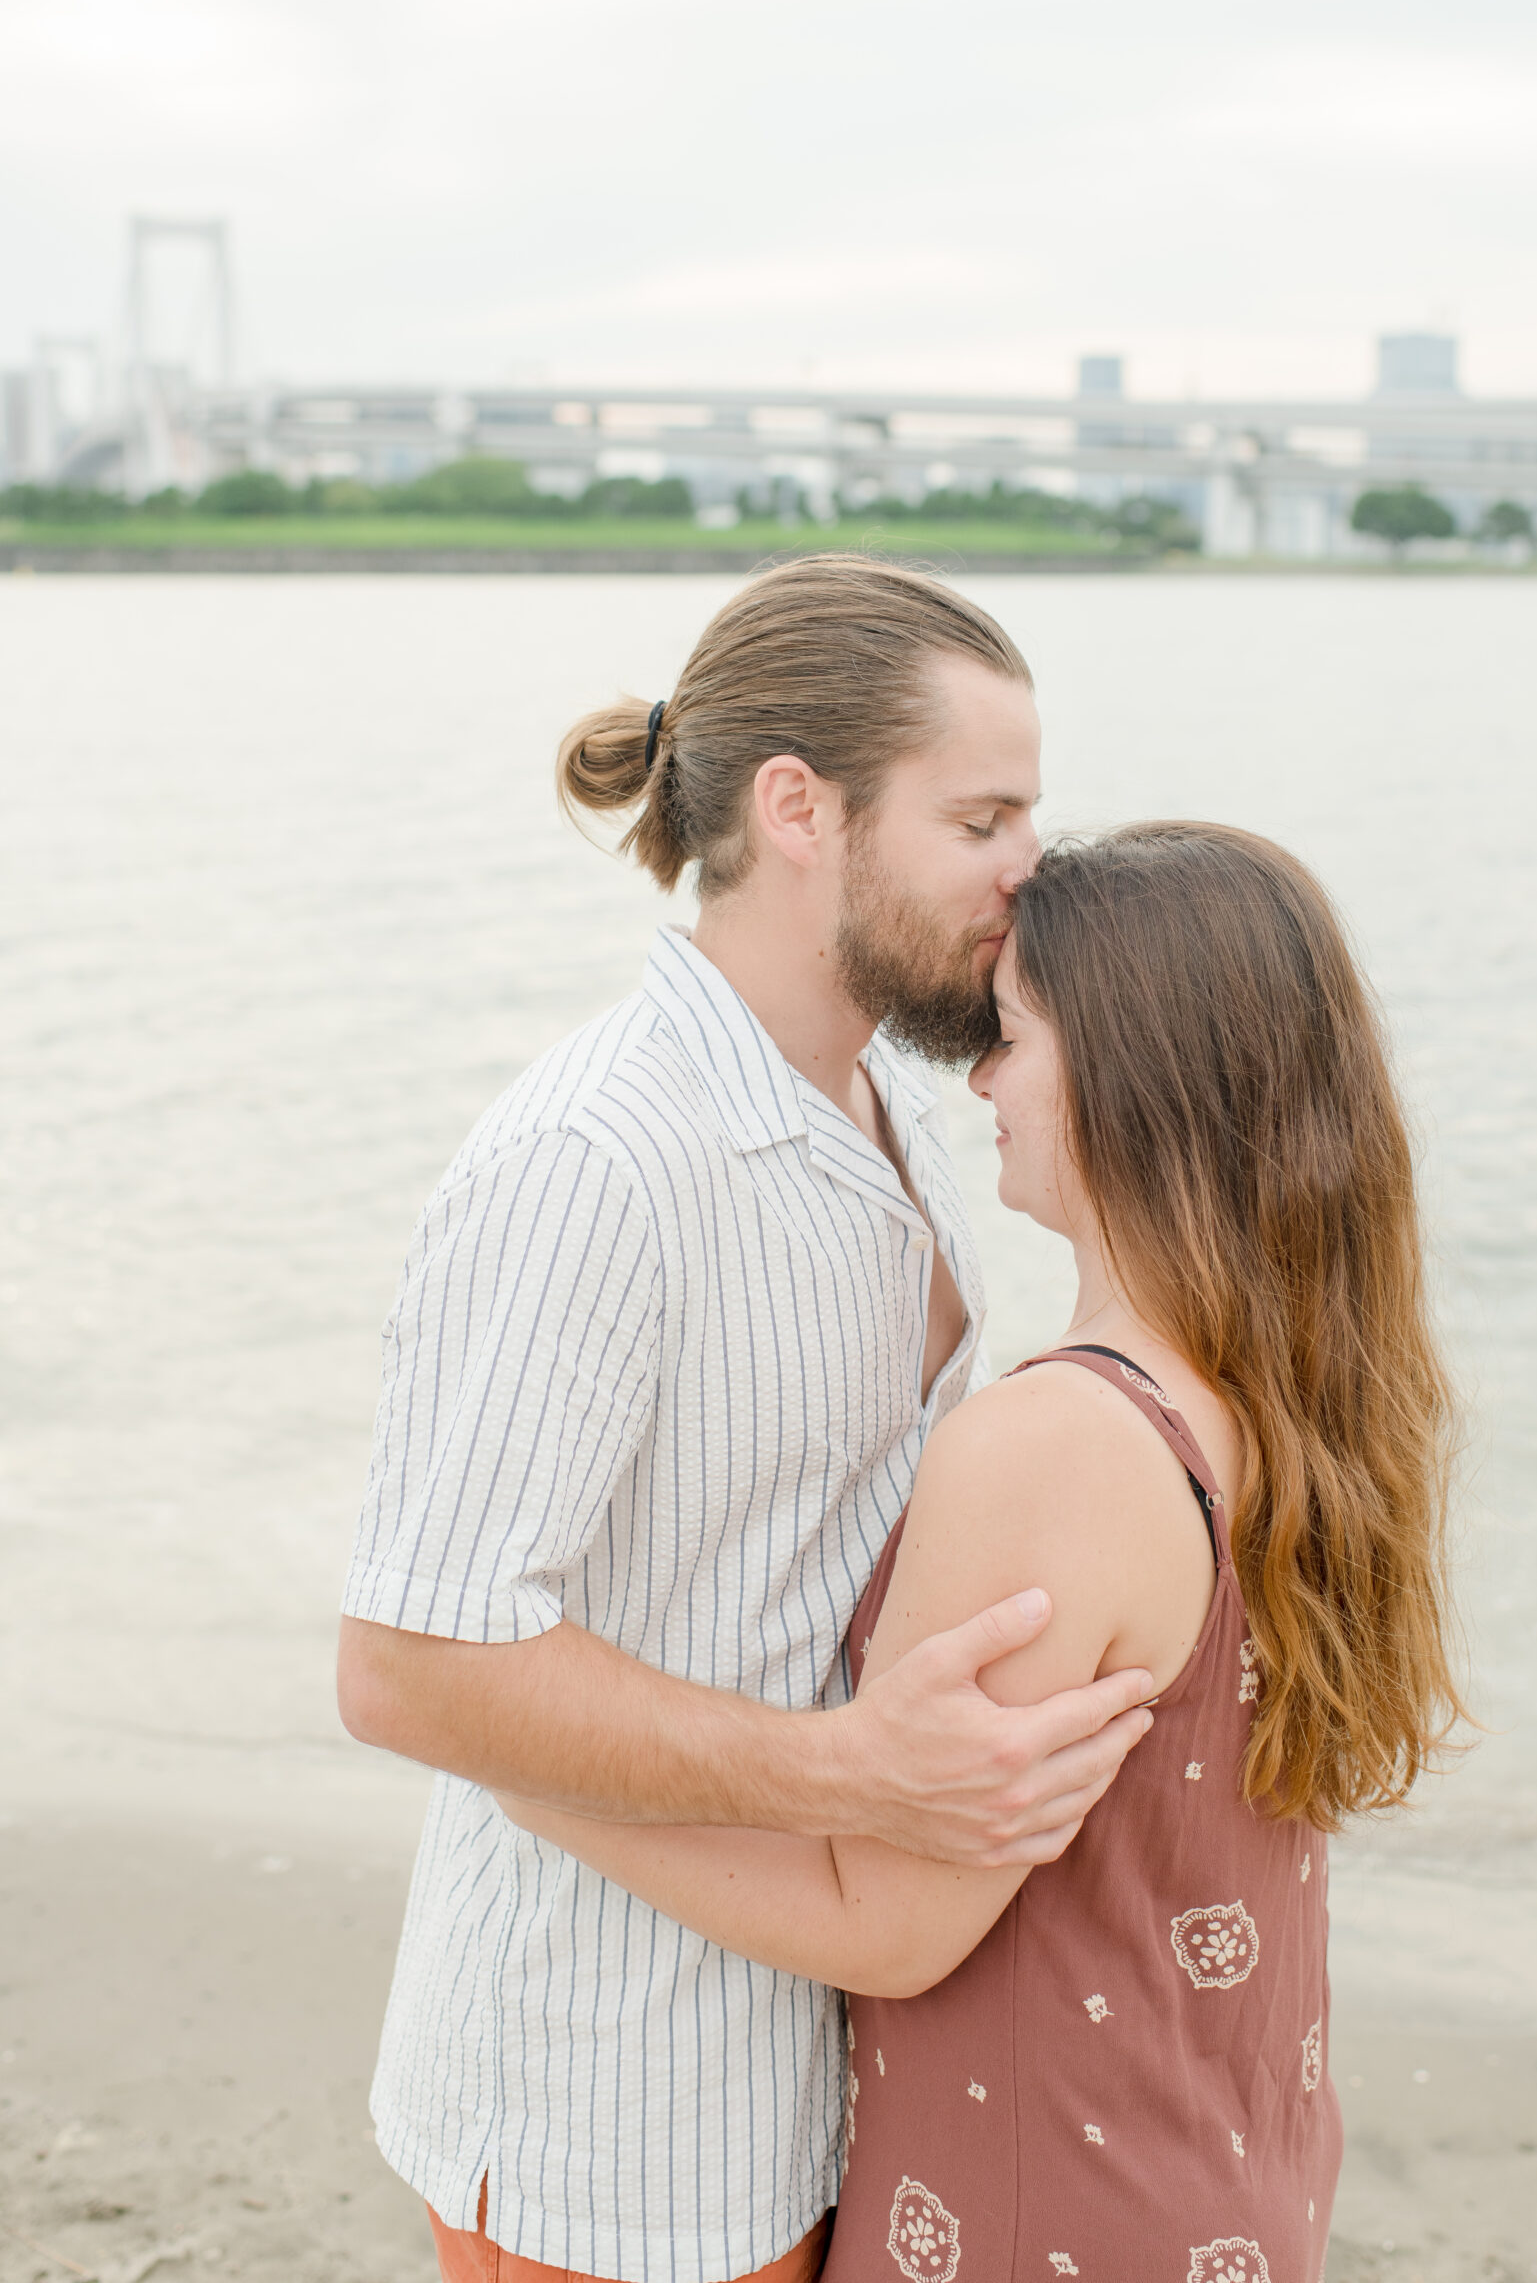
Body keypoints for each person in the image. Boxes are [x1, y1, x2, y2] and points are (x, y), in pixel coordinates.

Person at [336, 556, 1158, 2283]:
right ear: (802, 809)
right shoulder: (594, 1162)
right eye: (983, 818)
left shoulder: (902, 1106)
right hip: (602, 2111)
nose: (1031, 873)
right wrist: (846, 1773)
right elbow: (409, 1665)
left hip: (817, 2062)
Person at [502, 821, 1467, 2283]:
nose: (981, 1082)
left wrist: (526, 1772)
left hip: (1038, 2219)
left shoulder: (1057, 1444)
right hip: (1219, 2175)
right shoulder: (1286, 1403)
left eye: (1011, 1038)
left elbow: (883, 1925)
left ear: (1132, 1083)